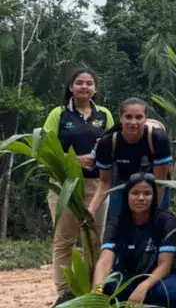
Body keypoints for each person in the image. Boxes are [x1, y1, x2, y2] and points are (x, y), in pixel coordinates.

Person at [42, 68, 114, 305]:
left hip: (98, 185)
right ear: (70, 88)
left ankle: (89, 292)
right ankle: (64, 294)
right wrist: (74, 160)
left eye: (89, 83)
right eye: (79, 83)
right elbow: (45, 150)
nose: (84, 87)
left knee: (94, 240)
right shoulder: (59, 114)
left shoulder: (104, 115)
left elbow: (113, 146)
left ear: (96, 88)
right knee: (64, 240)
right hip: (64, 186)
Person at [93, 173, 176, 307]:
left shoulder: (166, 220)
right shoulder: (116, 223)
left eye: (147, 193)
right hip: (129, 276)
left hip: (162, 278)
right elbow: (105, 259)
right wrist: (97, 291)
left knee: (166, 294)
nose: (141, 198)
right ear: (127, 196)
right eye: (135, 193)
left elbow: (165, 265)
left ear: (154, 197)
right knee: (107, 288)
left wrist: (143, 287)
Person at [90, 98, 172, 222]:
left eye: (139, 117)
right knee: (118, 229)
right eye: (128, 117)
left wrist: (150, 214)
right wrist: (90, 211)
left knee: (156, 229)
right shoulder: (108, 142)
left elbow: (159, 183)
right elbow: (104, 182)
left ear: (146, 119)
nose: (133, 122)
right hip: (123, 186)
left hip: (153, 189)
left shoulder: (157, 139)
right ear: (121, 118)